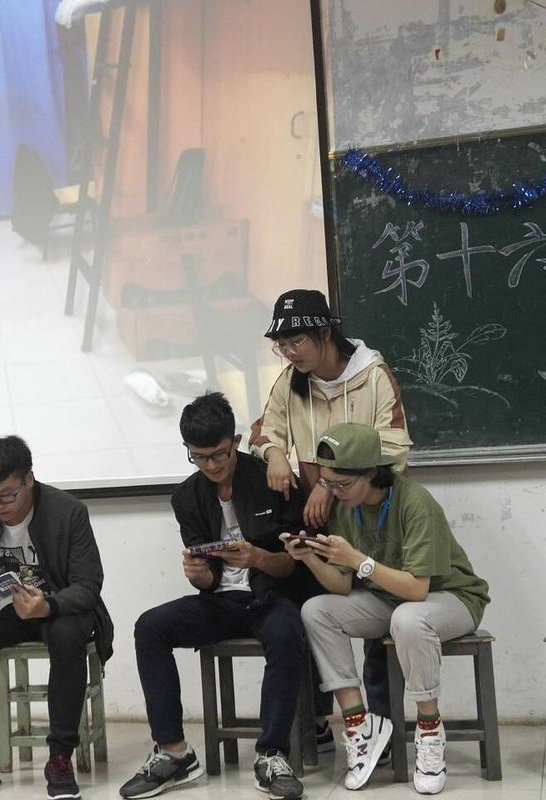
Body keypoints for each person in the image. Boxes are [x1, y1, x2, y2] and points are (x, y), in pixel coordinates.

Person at [119, 392, 312, 800]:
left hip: (270, 595)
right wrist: (200, 575)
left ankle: (271, 754)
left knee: (285, 631)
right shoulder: (186, 497)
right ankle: (174, 753)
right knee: (149, 627)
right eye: (199, 457)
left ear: (236, 442)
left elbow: (296, 566)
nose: (210, 465)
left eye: (219, 455)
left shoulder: (271, 481)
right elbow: (207, 582)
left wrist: (258, 558)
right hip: (221, 602)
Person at [282, 423, 490, 795]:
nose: (334, 492)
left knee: (408, 618)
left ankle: (429, 731)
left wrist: (358, 560)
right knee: (315, 610)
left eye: (342, 484)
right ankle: (360, 726)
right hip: (389, 600)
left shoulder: (415, 503)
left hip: (451, 597)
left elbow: (417, 589)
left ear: (371, 473)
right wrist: (310, 559)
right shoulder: (346, 507)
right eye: (328, 484)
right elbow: (342, 586)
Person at [250, 287, 413, 736]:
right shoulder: (291, 382)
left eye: (296, 341)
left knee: (378, 613)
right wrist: (274, 454)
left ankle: (383, 724)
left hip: (374, 516)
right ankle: (319, 721)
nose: (289, 352)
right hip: (319, 520)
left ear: (325, 333)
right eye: (281, 344)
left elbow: (395, 445)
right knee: (309, 608)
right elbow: (265, 429)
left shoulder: (372, 375)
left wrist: (327, 481)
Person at [0, 435, 113, 800]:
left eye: (5, 496)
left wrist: (48, 606)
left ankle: (59, 757)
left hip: (59, 609)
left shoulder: (68, 511)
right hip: (8, 612)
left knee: (65, 635)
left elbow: (88, 585)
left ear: (29, 479)